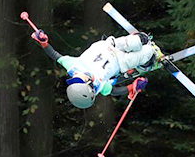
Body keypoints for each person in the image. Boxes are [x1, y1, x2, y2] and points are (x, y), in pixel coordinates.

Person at [29, 26, 161, 109]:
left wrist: (44, 43)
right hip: (121, 62)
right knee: (149, 51)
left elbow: (55, 55)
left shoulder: (73, 67)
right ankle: (146, 61)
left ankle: (140, 40)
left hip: (111, 45)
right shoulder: (99, 86)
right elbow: (114, 91)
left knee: (137, 41)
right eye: (80, 79)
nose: (76, 76)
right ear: (90, 84)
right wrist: (131, 87)